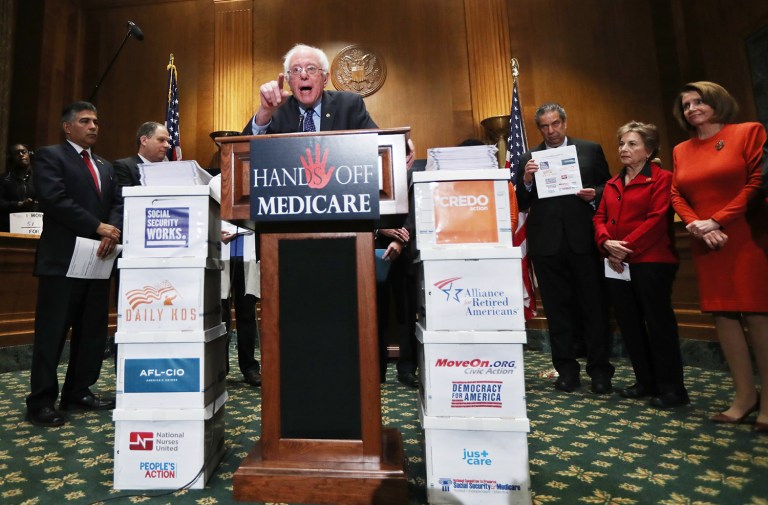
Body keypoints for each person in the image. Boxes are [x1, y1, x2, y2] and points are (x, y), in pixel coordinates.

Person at [670, 81, 768, 432]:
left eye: (699, 101)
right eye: (686, 105)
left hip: (745, 235)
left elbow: (758, 182)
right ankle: (744, 397)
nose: (692, 108)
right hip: (705, 240)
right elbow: (677, 194)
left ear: (717, 102)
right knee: (723, 316)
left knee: (758, 315)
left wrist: (718, 219)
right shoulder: (681, 149)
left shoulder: (747, 132)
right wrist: (697, 224)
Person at [25, 101, 122, 427]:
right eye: (85, 121)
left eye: (96, 121)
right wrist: (97, 227)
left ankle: (78, 391)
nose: (93, 126)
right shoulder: (50, 156)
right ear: (68, 127)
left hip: (97, 260)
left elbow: (117, 203)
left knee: (91, 332)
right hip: (62, 261)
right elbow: (54, 200)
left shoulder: (105, 166)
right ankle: (40, 401)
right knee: (52, 333)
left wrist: (112, 229)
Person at [514, 103, 614, 394]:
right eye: (544, 126)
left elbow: (609, 187)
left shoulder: (590, 149)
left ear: (565, 123)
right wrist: (527, 181)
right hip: (546, 245)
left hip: (583, 240)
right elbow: (520, 202)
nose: (551, 131)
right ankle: (566, 371)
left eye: (555, 124)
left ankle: (600, 371)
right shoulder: (528, 157)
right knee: (557, 313)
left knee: (594, 308)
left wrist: (593, 193)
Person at [594, 121, 688, 408]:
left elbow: (657, 219)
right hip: (616, 264)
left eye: (632, 144)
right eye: (622, 143)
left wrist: (624, 249)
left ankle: (671, 388)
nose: (624, 149)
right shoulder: (611, 183)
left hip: (652, 261)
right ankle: (645, 381)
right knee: (629, 324)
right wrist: (606, 243)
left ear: (648, 150)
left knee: (658, 325)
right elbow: (599, 218)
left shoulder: (662, 178)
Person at [242, 43, 377, 135]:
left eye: (311, 68)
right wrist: (264, 113)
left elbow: (379, 144)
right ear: (288, 81)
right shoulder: (276, 110)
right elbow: (244, 153)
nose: (303, 75)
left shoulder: (349, 105)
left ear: (325, 79)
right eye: (296, 70)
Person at [220, 224, 262, 387]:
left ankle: (249, 368)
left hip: (248, 255)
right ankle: (219, 367)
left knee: (247, 315)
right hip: (219, 254)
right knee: (220, 317)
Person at [113, 122, 171, 187]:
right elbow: (124, 195)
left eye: (167, 141)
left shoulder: (169, 170)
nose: (167, 145)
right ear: (144, 141)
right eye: (161, 140)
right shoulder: (125, 167)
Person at [0, 143, 37, 232]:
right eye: (17, 153)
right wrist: (19, 204)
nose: (21, 155)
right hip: (9, 229)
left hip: (37, 228)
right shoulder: (3, 179)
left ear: (30, 154)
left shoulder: (41, 178)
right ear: (11, 158)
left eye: (23, 152)